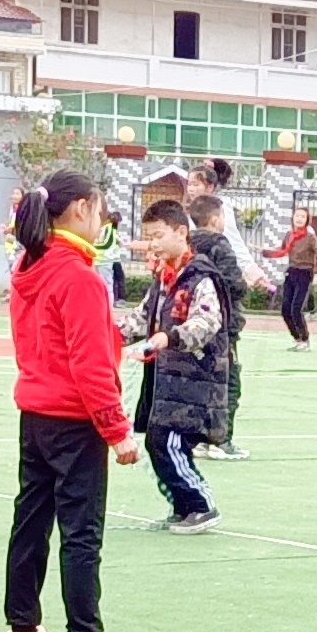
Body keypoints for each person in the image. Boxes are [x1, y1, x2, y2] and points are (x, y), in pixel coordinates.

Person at [1, 170, 148, 632]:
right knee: (81, 530)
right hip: (73, 417)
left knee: (32, 520)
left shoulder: (30, 267)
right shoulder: (79, 277)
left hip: (35, 411)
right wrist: (117, 430)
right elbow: (90, 364)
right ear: (82, 208)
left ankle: (23, 631)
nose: (104, 218)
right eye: (101, 208)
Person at [133, 199, 238, 530]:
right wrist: (104, 332)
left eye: (158, 235)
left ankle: (200, 504)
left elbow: (206, 324)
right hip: (167, 380)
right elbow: (141, 318)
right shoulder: (165, 278)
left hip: (196, 378)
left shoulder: (200, 276)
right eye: (148, 237)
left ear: (181, 232)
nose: (153, 244)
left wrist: (170, 337)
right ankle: (181, 505)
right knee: (156, 439)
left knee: (168, 439)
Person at [184, 187, 251, 454]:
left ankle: (199, 438)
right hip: (222, 326)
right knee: (227, 382)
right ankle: (221, 440)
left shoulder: (187, 244)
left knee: (200, 381)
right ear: (215, 219)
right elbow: (234, 284)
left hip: (194, 324)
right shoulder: (220, 244)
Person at [278, 202, 317, 346]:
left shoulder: (310, 237)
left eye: (303, 216)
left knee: (296, 308)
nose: (299, 219)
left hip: (304, 273)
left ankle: (305, 339)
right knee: (285, 309)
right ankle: (297, 338)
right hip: (291, 271)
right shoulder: (289, 235)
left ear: (307, 220)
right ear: (293, 217)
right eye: (297, 215)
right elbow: (281, 251)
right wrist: (263, 251)